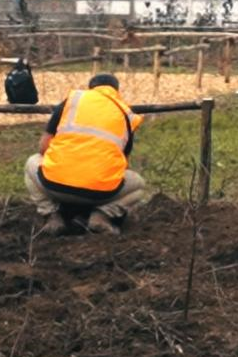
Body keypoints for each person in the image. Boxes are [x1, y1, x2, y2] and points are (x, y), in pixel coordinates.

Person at [26, 73, 147, 235]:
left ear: (91, 88)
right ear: (116, 91)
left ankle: (51, 215)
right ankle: (102, 215)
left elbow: (43, 147)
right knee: (138, 184)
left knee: (32, 161)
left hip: (53, 185)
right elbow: (123, 163)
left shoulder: (73, 101)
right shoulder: (125, 114)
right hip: (100, 194)